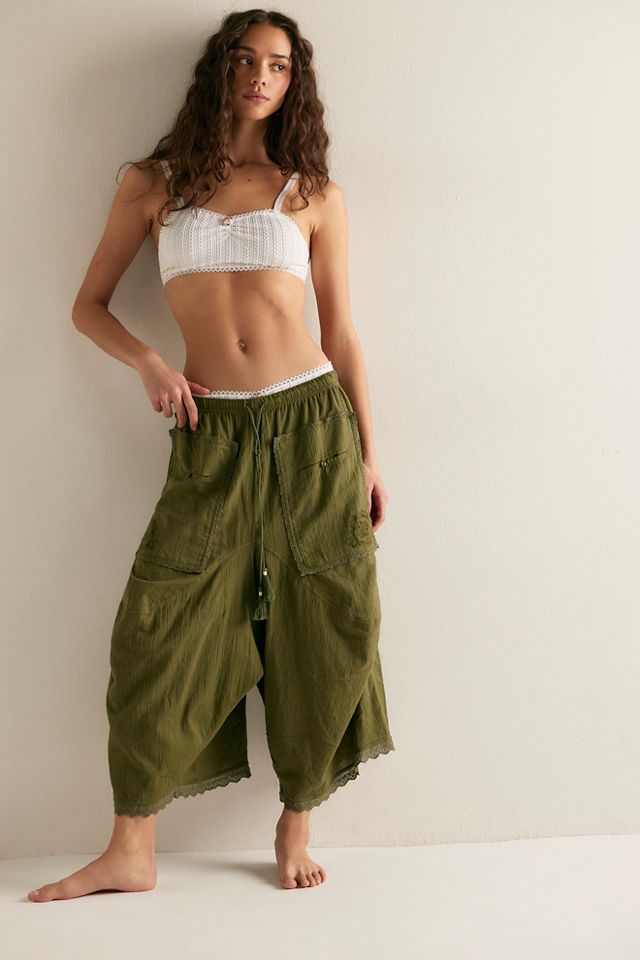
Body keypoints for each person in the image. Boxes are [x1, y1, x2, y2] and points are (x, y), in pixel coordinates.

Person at [27, 9, 393, 902]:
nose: (261, 76)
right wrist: (150, 363)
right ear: (219, 68)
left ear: (294, 81)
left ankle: (297, 819)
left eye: (279, 65)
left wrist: (370, 455)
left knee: (326, 619)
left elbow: (342, 335)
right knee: (158, 630)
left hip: (311, 428)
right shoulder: (152, 185)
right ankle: (131, 850)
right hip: (211, 433)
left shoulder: (313, 194)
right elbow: (88, 305)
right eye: (246, 58)